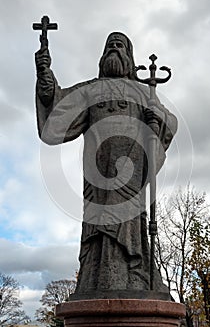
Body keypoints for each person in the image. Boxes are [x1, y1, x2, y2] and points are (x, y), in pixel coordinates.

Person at [35, 32, 177, 299]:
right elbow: (57, 109)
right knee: (98, 226)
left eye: (119, 45)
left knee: (131, 225)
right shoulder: (91, 90)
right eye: (109, 45)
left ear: (129, 56)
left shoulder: (144, 91)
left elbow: (170, 122)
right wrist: (45, 75)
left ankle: (137, 276)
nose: (113, 48)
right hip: (97, 176)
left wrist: (157, 117)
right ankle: (94, 278)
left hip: (131, 174)